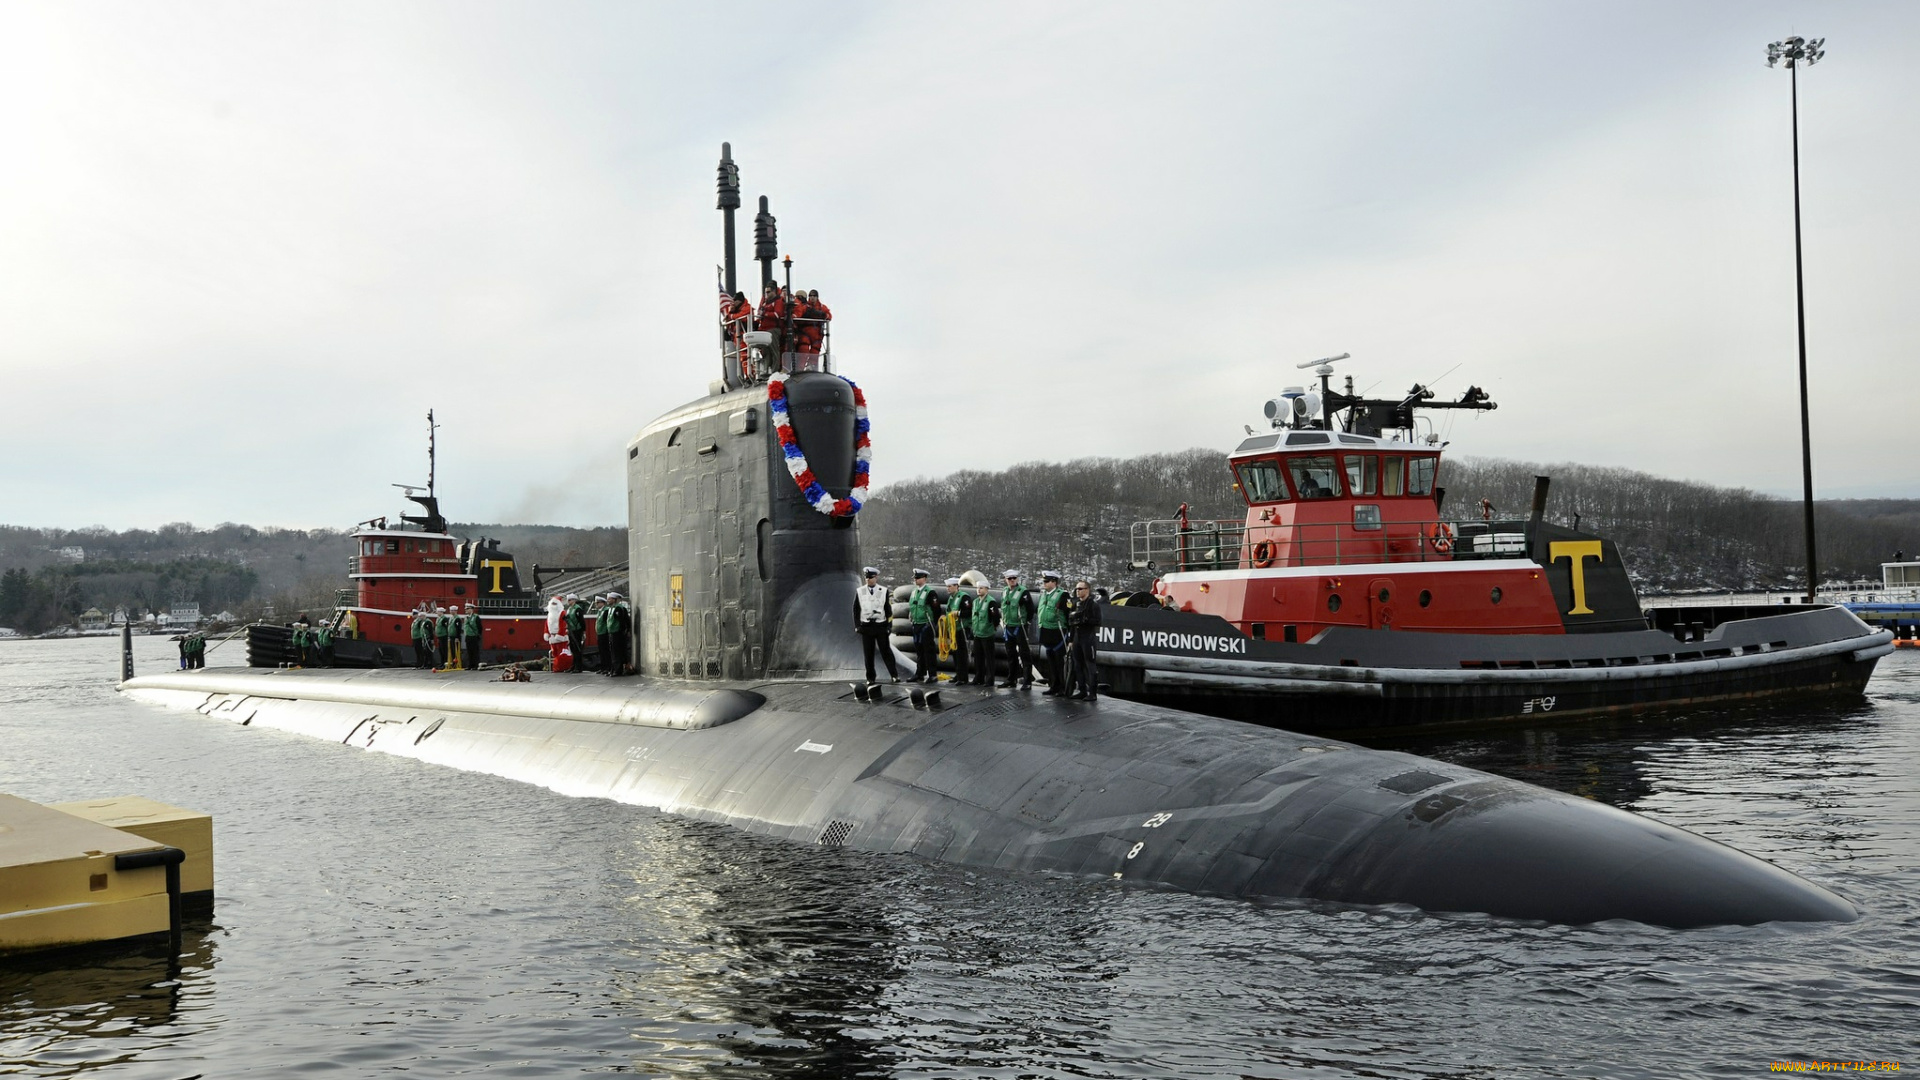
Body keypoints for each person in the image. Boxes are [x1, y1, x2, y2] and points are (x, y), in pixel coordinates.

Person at [853, 566, 899, 684]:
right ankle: (870, 678)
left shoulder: (883, 591)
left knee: (886, 652)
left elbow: (888, 611)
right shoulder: (860, 591)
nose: (868, 579)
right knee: (868, 654)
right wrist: (857, 626)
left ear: (876, 577)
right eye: (866, 577)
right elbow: (856, 610)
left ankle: (894, 675)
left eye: (870, 577)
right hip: (866, 626)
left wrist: (889, 626)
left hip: (880, 626)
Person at [997, 570, 1037, 689]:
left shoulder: (1023, 592)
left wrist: (1026, 622)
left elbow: (1030, 609)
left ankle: (1027, 681)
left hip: (1020, 626)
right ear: (1006, 580)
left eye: (1014, 578)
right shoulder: (1004, 592)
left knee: (1024, 653)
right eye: (1009, 578)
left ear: (1017, 579)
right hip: (1008, 626)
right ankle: (1011, 679)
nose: (1012, 580)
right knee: (1010, 654)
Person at [1035, 571, 1071, 695]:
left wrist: (1070, 634)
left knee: (1059, 662)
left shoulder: (1063, 595)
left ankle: (1061, 687)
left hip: (1058, 633)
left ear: (1054, 582)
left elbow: (1068, 614)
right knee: (1050, 662)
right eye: (1044, 581)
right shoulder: (1044, 595)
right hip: (1046, 631)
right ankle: (1053, 685)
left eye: (1046, 581)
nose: (1044, 583)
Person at [1067, 580, 1103, 701]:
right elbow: (1072, 624)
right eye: (1077, 589)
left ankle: (1092, 693)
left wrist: (1085, 620)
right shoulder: (1076, 604)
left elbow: (1098, 621)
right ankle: (1082, 690)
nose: (1078, 591)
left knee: (1090, 665)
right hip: (1077, 637)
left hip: (1088, 637)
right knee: (1078, 665)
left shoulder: (1093, 604)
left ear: (1087, 590)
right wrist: (1071, 640)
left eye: (1080, 589)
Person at [906, 569, 943, 683]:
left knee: (929, 650)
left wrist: (933, 624)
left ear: (924, 578)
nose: (916, 580)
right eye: (915, 578)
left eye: (918, 578)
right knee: (919, 650)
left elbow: (937, 609)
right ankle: (920, 673)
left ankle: (932, 674)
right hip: (916, 623)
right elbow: (913, 607)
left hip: (926, 624)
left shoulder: (930, 592)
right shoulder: (914, 592)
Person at [968, 581, 1000, 685]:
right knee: (978, 657)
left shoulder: (991, 602)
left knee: (989, 658)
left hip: (987, 634)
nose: (979, 590)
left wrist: (992, 627)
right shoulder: (976, 601)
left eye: (981, 588)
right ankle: (979, 677)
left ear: (987, 589)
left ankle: (990, 679)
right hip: (977, 633)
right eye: (978, 588)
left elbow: (995, 617)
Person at [943, 576, 972, 686]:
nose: (948, 589)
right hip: (953, 629)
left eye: (950, 586)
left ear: (956, 586)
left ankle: (963, 677)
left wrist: (958, 613)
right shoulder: (951, 598)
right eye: (947, 587)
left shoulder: (963, 597)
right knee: (955, 653)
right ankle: (958, 674)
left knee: (961, 653)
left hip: (962, 629)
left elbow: (968, 611)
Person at [604, 592, 632, 676]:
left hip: (618, 633)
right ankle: (614, 669)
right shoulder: (611, 608)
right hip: (612, 632)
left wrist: (625, 631)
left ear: (614, 599)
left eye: (609, 599)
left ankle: (618, 670)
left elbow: (622, 621)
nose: (608, 600)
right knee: (613, 652)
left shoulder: (619, 608)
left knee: (617, 652)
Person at [564, 593, 589, 672]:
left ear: (574, 600)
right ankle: (573, 665)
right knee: (573, 649)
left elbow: (581, 621)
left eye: (570, 600)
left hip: (577, 630)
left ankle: (578, 667)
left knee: (577, 649)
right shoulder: (569, 609)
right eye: (568, 600)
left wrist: (583, 631)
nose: (568, 601)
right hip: (571, 630)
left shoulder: (577, 609)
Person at [411, 604, 434, 668]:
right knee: (420, 651)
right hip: (418, 638)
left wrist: (431, 639)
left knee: (424, 651)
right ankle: (421, 663)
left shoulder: (424, 622)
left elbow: (430, 631)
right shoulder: (417, 621)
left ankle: (425, 663)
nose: (420, 617)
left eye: (421, 616)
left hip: (422, 638)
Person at [463, 603, 483, 671]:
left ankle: (475, 665)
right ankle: (470, 665)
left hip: (474, 636)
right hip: (468, 636)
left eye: (467, 609)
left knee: (475, 651)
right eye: (465, 609)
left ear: (471, 609)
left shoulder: (476, 617)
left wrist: (478, 635)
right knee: (469, 651)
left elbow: (480, 627)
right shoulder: (466, 617)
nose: (466, 610)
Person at [435, 605, 455, 669]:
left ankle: (445, 663)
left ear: (441, 612)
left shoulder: (444, 619)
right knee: (441, 650)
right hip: (439, 636)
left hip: (444, 636)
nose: (437, 613)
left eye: (438, 612)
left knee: (444, 650)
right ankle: (441, 663)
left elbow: (446, 627)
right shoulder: (438, 619)